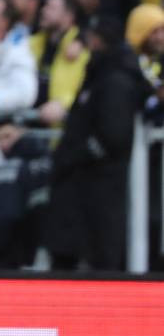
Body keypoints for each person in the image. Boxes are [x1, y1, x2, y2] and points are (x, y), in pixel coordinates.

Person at [46, 16, 150, 270]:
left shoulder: (114, 80)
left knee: (100, 257)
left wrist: (74, 156)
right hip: (83, 183)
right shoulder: (100, 73)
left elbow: (113, 135)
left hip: (97, 186)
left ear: (99, 39)